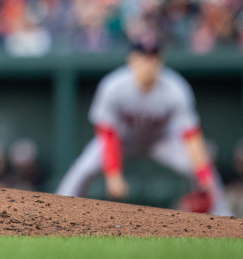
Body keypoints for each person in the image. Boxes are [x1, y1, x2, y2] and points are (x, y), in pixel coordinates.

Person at [55, 39, 233, 216]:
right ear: (131, 60)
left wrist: (202, 176)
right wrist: (113, 175)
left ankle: (224, 218)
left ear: (161, 61)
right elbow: (108, 134)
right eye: (143, 57)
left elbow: (190, 136)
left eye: (153, 58)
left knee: (208, 173)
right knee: (83, 170)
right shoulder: (114, 86)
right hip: (123, 139)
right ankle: (56, 213)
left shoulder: (176, 89)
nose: (148, 63)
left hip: (162, 140)